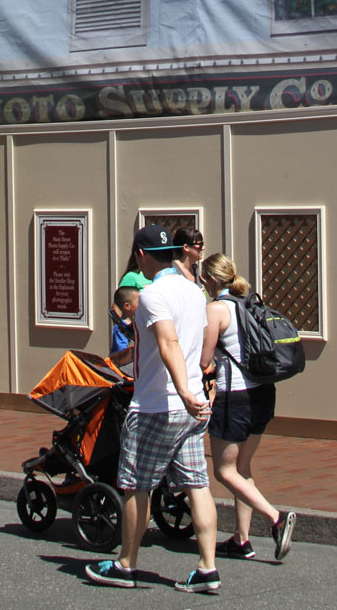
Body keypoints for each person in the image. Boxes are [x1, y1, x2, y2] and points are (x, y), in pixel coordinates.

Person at [85, 224, 219, 595]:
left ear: (141, 255)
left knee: (136, 486)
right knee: (197, 484)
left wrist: (180, 390)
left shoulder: (151, 296)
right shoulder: (194, 292)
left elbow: (168, 342)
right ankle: (207, 568)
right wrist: (194, 393)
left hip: (157, 407)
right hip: (193, 409)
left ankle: (126, 564)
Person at [200, 252, 296, 564]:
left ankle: (276, 519)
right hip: (263, 394)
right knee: (243, 468)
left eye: (204, 280)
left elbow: (204, 360)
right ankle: (241, 539)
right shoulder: (250, 303)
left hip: (234, 398)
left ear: (213, 281)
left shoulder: (216, 309)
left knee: (224, 470)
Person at [109, 284, 139, 367]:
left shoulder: (137, 324)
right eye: (139, 301)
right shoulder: (120, 329)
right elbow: (122, 353)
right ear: (127, 306)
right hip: (123, 370)